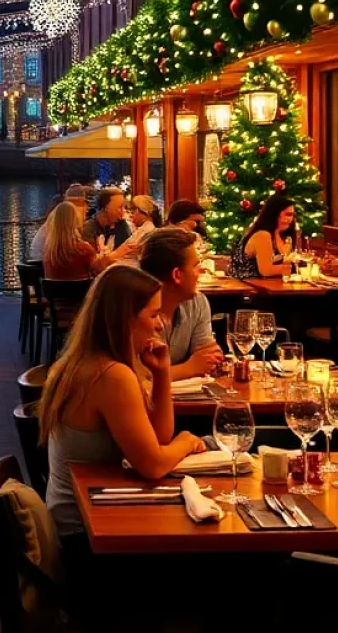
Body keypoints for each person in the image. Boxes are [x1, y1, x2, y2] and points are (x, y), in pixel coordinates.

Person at [40, 265, 205, 547]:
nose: (159, 324)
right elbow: (152, 465)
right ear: (126, 319)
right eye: (152, 314)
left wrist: (162, 374)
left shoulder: (88, 360)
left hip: (78, 519)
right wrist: (187, 442)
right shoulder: (111, 375)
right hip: (84, 536)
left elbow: (157, 440)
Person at [139, 228, 224, 379]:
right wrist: (188, 368)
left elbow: (209, 354)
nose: (202, 271)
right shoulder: (135, 310)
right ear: (177, 275)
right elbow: (136, 377)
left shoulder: (197, 302)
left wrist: (203, 361)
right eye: (195, 266)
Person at [227, 195, 296, 280]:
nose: (286, 219)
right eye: (286, 214)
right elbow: (266, 270)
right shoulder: (263, 235)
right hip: (249, 289)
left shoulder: (285, 237)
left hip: (273, 287)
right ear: (273, 214)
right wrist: (295, 268)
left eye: (290, 215)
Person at [29, 185, 92, 259]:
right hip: (44, 261)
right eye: (84, 204)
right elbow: (67, 247)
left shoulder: (58, 214)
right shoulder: (67, 216)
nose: (86, 208)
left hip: (42, 260)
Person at [43, 202, 100, 280]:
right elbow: (99, 271)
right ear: (75, 222)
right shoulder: (83, 249)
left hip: (53, 292)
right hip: (81, 292)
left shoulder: (48, 252)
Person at [81, 187, 131, 252]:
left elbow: (129, 250)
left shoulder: (120, 224)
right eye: (120, 207)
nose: (123, 211)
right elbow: (93, 260)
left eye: (124, 207)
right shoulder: (88, 229)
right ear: (106, 208)